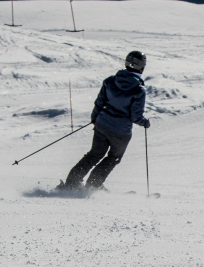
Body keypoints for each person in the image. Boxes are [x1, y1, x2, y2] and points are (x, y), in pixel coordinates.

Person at [60, 50, 150, 190]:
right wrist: (145, 122)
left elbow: (99, 103)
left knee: (94, 155)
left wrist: (95, 119)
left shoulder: (110, 81)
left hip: (102, 125)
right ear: (142, 67)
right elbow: (135, 116)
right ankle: (93, 185)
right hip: (121, 132)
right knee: (113, 157)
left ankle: (71, 183)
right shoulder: (138, 90)